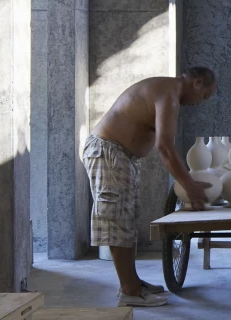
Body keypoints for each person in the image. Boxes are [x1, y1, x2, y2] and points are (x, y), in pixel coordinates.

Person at [82, 66, 217, 308]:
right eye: (204, 96)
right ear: (197, 83)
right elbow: (164, 146)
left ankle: (132, 282)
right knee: (117, 221)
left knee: (127, 221)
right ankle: (130, 292)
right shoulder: (168, 95)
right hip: (108, 152)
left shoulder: (168, 91)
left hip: (121, 156)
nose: (200, 103)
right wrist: (189, 184)